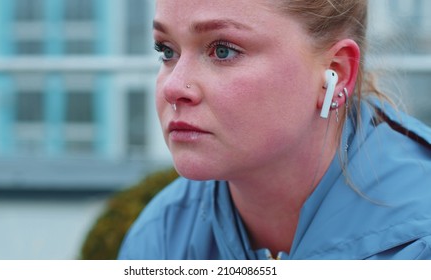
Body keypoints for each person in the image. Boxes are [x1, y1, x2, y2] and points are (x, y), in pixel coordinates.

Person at [118, 0, 431, 259]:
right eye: (166, 50)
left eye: (223, 50)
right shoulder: (160, 238)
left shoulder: (418, 244)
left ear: (334, 73)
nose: (173, 87)